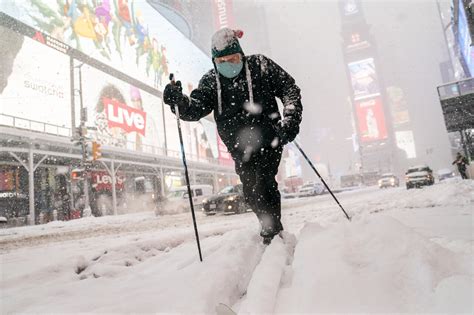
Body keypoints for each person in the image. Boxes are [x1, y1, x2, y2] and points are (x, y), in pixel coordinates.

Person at [163, 28, 303, 244]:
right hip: (239, 146)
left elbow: (289, 88)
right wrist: (179, 102)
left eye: (234, 58)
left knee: (264, 182)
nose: (229, 63)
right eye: (223, 60)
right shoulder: (211, 81)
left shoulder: (260, 66)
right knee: (251, 191)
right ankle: (269, 225)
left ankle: (272, 231)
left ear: (242, 55)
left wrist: (290, 119)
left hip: (270, 139)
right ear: (214, 61)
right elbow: (196, 108)